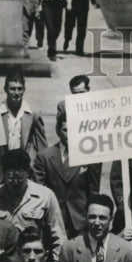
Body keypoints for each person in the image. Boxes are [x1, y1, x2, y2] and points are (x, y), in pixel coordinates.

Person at [0, 148, 66, 262]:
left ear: (28, 172)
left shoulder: (45, 196)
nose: (15, 183)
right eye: (10, 178)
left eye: (19, 178)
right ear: (3, 172)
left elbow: (58, 236)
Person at [33, 102, 103, 240]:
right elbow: (38, 191)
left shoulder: (89, 155)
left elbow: (93, 191)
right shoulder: (45, 156)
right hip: (54, 219)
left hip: (80, 219)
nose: (69, 135)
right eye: (65, 130)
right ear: (58, 131)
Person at [0, 71, 47, 184]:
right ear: (5, 89)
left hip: (26, 170)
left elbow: (42, 146)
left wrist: (41, 170)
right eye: (12, 89)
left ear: (24, 90)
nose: (16, 93)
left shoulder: (33, 114)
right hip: (3, 169)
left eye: (19, 89)